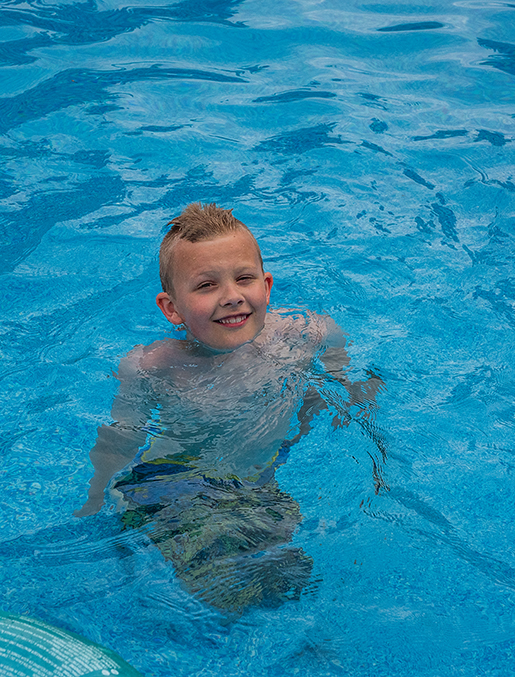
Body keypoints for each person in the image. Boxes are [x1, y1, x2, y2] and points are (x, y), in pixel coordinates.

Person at [74, 202, 384, 612]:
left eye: (244, 278)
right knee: (225, 599)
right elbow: (120, 436)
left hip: (256, 486)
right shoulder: (153, 367)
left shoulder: (308, 333)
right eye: (206, 286)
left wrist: (353, 400)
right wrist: (96, 497)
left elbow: (337, 384)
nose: (232, 297)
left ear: (267, 285)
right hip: (172, 486)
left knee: (293, 582)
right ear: (172, 309)